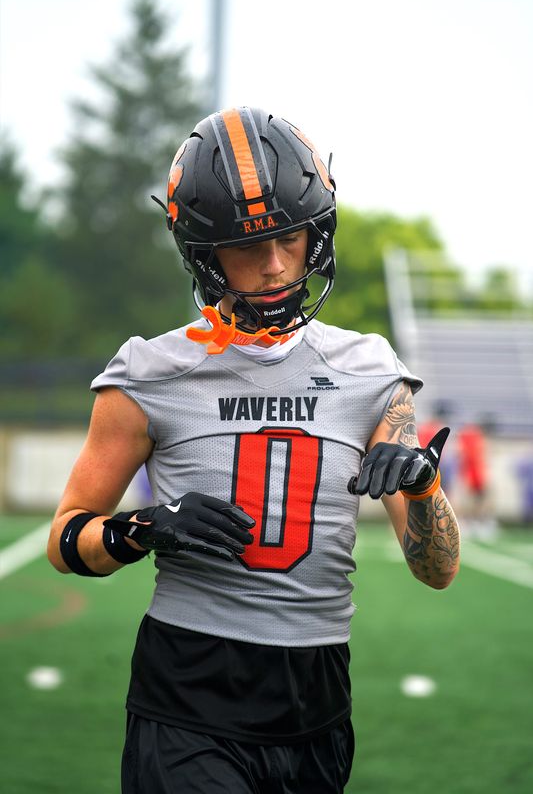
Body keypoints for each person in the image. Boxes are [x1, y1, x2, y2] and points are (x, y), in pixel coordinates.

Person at [47, 106, 461, 793]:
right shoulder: (149, 372)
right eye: (246, 247)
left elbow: (438, 570)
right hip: (188, 692)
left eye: (289, 238)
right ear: (204, 255)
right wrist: (143, 528)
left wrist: (422, 486)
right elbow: (65, 540)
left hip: (317, 698)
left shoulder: (370, 370)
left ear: (316, 235)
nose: (273, 266)